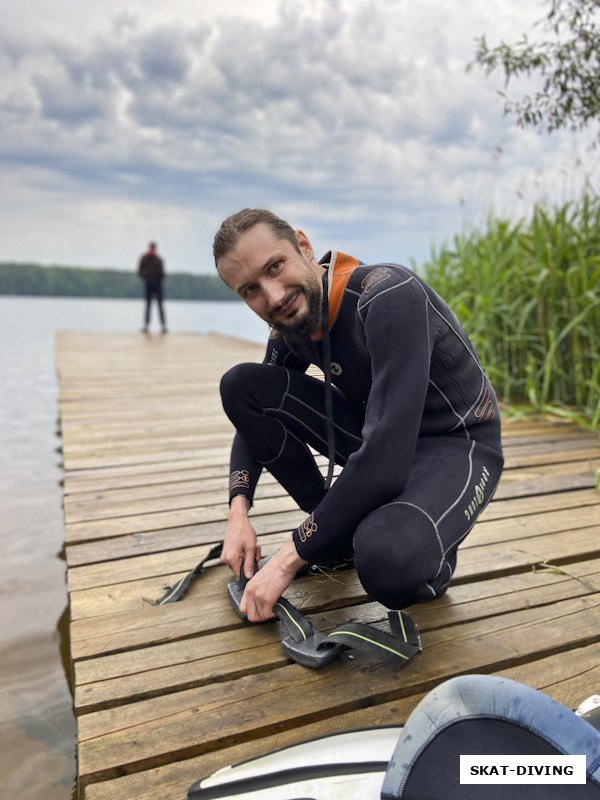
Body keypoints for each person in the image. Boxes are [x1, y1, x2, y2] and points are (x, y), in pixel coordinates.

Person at [214, 208, 504, 624]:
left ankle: (406, 541)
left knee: (389, 559)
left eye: (275, 267)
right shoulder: (293, 324)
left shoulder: (388, 295)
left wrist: (284, 560)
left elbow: (384, 461)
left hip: (455, 444)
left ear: (304, 246)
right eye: (250, 290)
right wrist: (238, 511)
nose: (274, 296)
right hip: (377, 438)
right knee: (241, 384)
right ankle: (332, 541)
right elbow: (252, 409)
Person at [138, 241, 167, 333]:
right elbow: (140, 271)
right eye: (152, 248)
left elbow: (162, 273)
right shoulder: (145, 258)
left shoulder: (158, 259)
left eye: (153, 248)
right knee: (148, 305)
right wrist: (146, 278)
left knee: (160, 305)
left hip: (157, 284)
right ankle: (146, 326)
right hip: (149, 283)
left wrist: (160, 278)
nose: (153, 250)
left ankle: (163, 326)